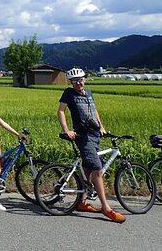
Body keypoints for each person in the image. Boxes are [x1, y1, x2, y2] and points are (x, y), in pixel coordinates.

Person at [57, 68, 126, 223]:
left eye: (80, 79)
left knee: (88, 168)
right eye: (74, 80)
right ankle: (106, 208)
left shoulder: (88, 93)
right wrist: (67, 130)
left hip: (95, 136)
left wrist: (101, 127)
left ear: (85, 79)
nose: (78, 82)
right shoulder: (69, 93)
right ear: (70, 82)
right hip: (83, 137)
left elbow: (94, 112)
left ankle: (82, 202)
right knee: (97, 170)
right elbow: (61, 111)